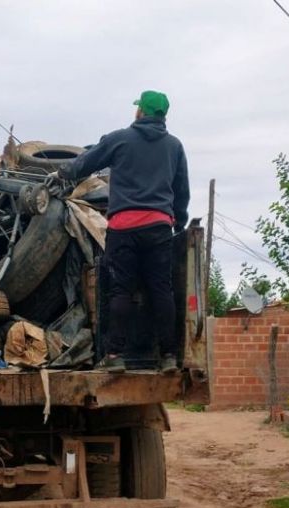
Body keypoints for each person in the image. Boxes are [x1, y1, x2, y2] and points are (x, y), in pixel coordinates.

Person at [56, 90, 190, 373]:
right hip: (158, 227)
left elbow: (83, 164)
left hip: (123, 227)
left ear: (140, 111)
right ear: (163, 116)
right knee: (161, 290)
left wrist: (61, 173)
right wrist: (179, 220)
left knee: (122, 290)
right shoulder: (175, 147)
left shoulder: (119, 139)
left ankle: (115, 356)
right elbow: (181, 191)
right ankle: (168, 356)